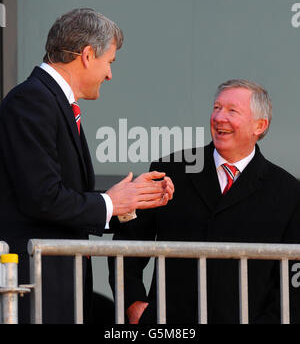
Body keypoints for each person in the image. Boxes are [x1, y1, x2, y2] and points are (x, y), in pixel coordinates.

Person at [0, 8, 174, 324]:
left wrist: (126, 203)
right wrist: (109, 202)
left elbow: (62, 196)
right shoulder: (32, 100)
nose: (109, 74)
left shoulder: (52, 102)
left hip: (56, 286)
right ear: (87, 54)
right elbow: (42, 197)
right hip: (36, 287)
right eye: (109, 62)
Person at [109, 79, 300, 324]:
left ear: (259, 126)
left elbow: (294, 280)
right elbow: (127, 244)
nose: (220, 117)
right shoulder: (171, 170)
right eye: (217, 107)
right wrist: (134, 304)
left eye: (232, 111)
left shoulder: (287, 191)